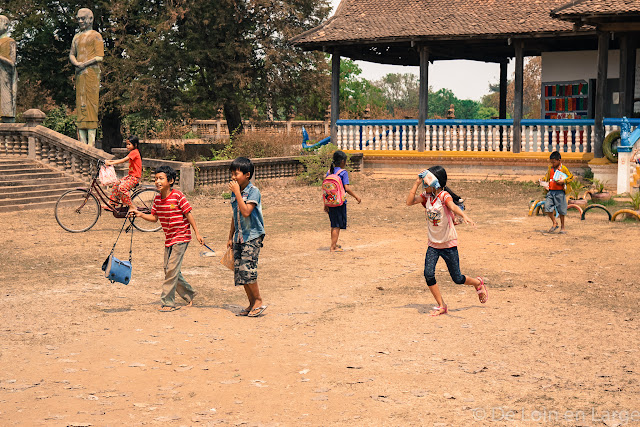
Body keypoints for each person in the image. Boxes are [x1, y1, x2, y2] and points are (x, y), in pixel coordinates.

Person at [406, 165, 488, 316]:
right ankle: (442, 305)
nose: (425, 185)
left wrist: (464, 216)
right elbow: (409, 202)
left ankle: (477, 283)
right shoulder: (427, 197)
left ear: (435, 183)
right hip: (433, 245)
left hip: (448, 244)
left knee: (457, 278)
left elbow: (452, 206)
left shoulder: (444, 196)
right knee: (428, 274)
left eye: (426, 182)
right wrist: (416, 183)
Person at [130, 165, 204, 312]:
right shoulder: (157, 199)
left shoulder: (178, 196)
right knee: (168, 269)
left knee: (171, 269)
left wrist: (197, 233)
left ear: (170, 181)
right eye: (156, 179)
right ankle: (189, 294)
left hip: (182, 236)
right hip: (169, 237)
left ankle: (168, 302)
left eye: (161, 178)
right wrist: (139, 214)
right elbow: (154, 218)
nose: (157, 181)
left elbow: (189, 214)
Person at [227, 157, 267, 317]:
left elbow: (246, 211)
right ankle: (251, 303)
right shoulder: (235, 193)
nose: (233, 177)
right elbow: (235, 214)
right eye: (232, 174)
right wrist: (230, 236)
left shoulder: (253, 192)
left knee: (248, 269)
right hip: (239, 236)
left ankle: (258, 300)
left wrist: (237, 193)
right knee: (240, 272)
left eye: (236, 174)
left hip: (252, 236)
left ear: (247, 175)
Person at [69, 8, 103, 147]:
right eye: (78, 19)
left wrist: (85, 64)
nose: (81, 21)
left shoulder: (96, 36)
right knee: (81, 104)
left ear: (91, 19)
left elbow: (99, 57)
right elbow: (72, 54)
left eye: (83, 18)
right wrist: (77, 63)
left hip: (91, 73)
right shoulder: (76, 37)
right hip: (80, 74)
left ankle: (91, 142)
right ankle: (82, 142)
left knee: (91, 104)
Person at [324, 150, 361, 252]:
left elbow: (326, 190)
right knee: (337, 225)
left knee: (333, 224)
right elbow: (347, 188)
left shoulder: (329, 172)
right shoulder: (343, 173)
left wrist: (325, 204)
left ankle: (334, 243)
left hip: (330, 202)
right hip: (339, 203)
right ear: (342, 161)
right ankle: (333, 247)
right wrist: (356, 197)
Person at [104, 136, 142, 212]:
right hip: (130, 177)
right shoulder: (132, 152)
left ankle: (131, 206)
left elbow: (123, 160)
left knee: (122, 187)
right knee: (116, 184)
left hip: (134, 178)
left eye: (129, 144)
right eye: (127, 144)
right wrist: (109, 162)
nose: (127, 146)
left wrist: (111, 162)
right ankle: (112, 204)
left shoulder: (134, 152)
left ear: (135, 145)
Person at [540, 151, 573, 234]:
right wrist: (543, 180)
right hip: (550, 192)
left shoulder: (564, 169)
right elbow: (547, 177)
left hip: (560, 192)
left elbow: (571, 177)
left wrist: (563, 181)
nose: (552, 164)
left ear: (559, 160)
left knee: (561, 210)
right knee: (547, 208)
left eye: (554, 162)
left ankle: (563, 227)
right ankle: (555, 222)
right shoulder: (550, 168)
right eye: (551, 162)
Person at [0, 15, 17, 123]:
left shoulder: (10, 41)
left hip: (5, 78)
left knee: (5, 103)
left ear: (6, 25)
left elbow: (12, 63)